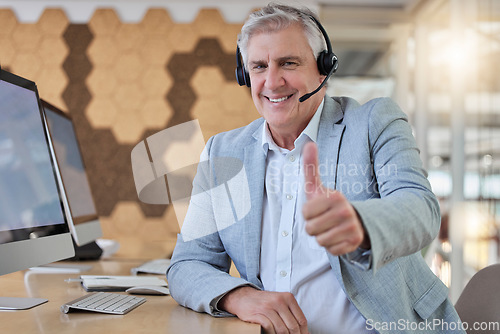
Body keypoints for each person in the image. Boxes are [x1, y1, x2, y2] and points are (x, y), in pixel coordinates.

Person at [167, 3, 464, 334]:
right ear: (244, 76)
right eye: (259, 66)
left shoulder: (372, 123)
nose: (272, 81)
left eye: (288, 63)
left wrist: (362, 226)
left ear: (324, 69)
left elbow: (420, 210)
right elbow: (187, 264)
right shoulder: (223, 153)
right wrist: (241, 296)